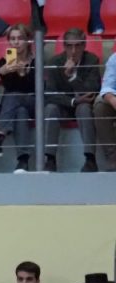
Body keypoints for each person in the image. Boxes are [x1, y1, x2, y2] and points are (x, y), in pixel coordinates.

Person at [0, 24, 35, 172]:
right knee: (20, 111)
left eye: (20, 38)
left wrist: (22, 73)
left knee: (14, 97)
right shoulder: (3, 63)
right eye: (12, 39)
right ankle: (23, 161)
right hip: (15, 106)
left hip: (34, 102)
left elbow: (34, 88)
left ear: (28, 41)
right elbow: (10, 87)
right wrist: (4, 73)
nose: (16, 42)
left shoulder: (36, 61)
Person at [44, 28, 102, 174]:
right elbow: (50, 93)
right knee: (51, 108)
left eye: (77, 45)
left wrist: (72, 77)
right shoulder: (54, 62)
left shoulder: (92, 60)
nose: (74, 51)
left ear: (84, 45)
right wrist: (73, 101)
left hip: (83, 106)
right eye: (69, 46)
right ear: (64, 46)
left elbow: (91, 91)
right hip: (63, 105)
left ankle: (90, 159)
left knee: (84, 108)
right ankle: (50, 158)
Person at [93, 51, 116, 172]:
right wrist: (113, 100)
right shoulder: (115, 58)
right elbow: (107, 87)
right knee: (100, 105)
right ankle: (113, 157)